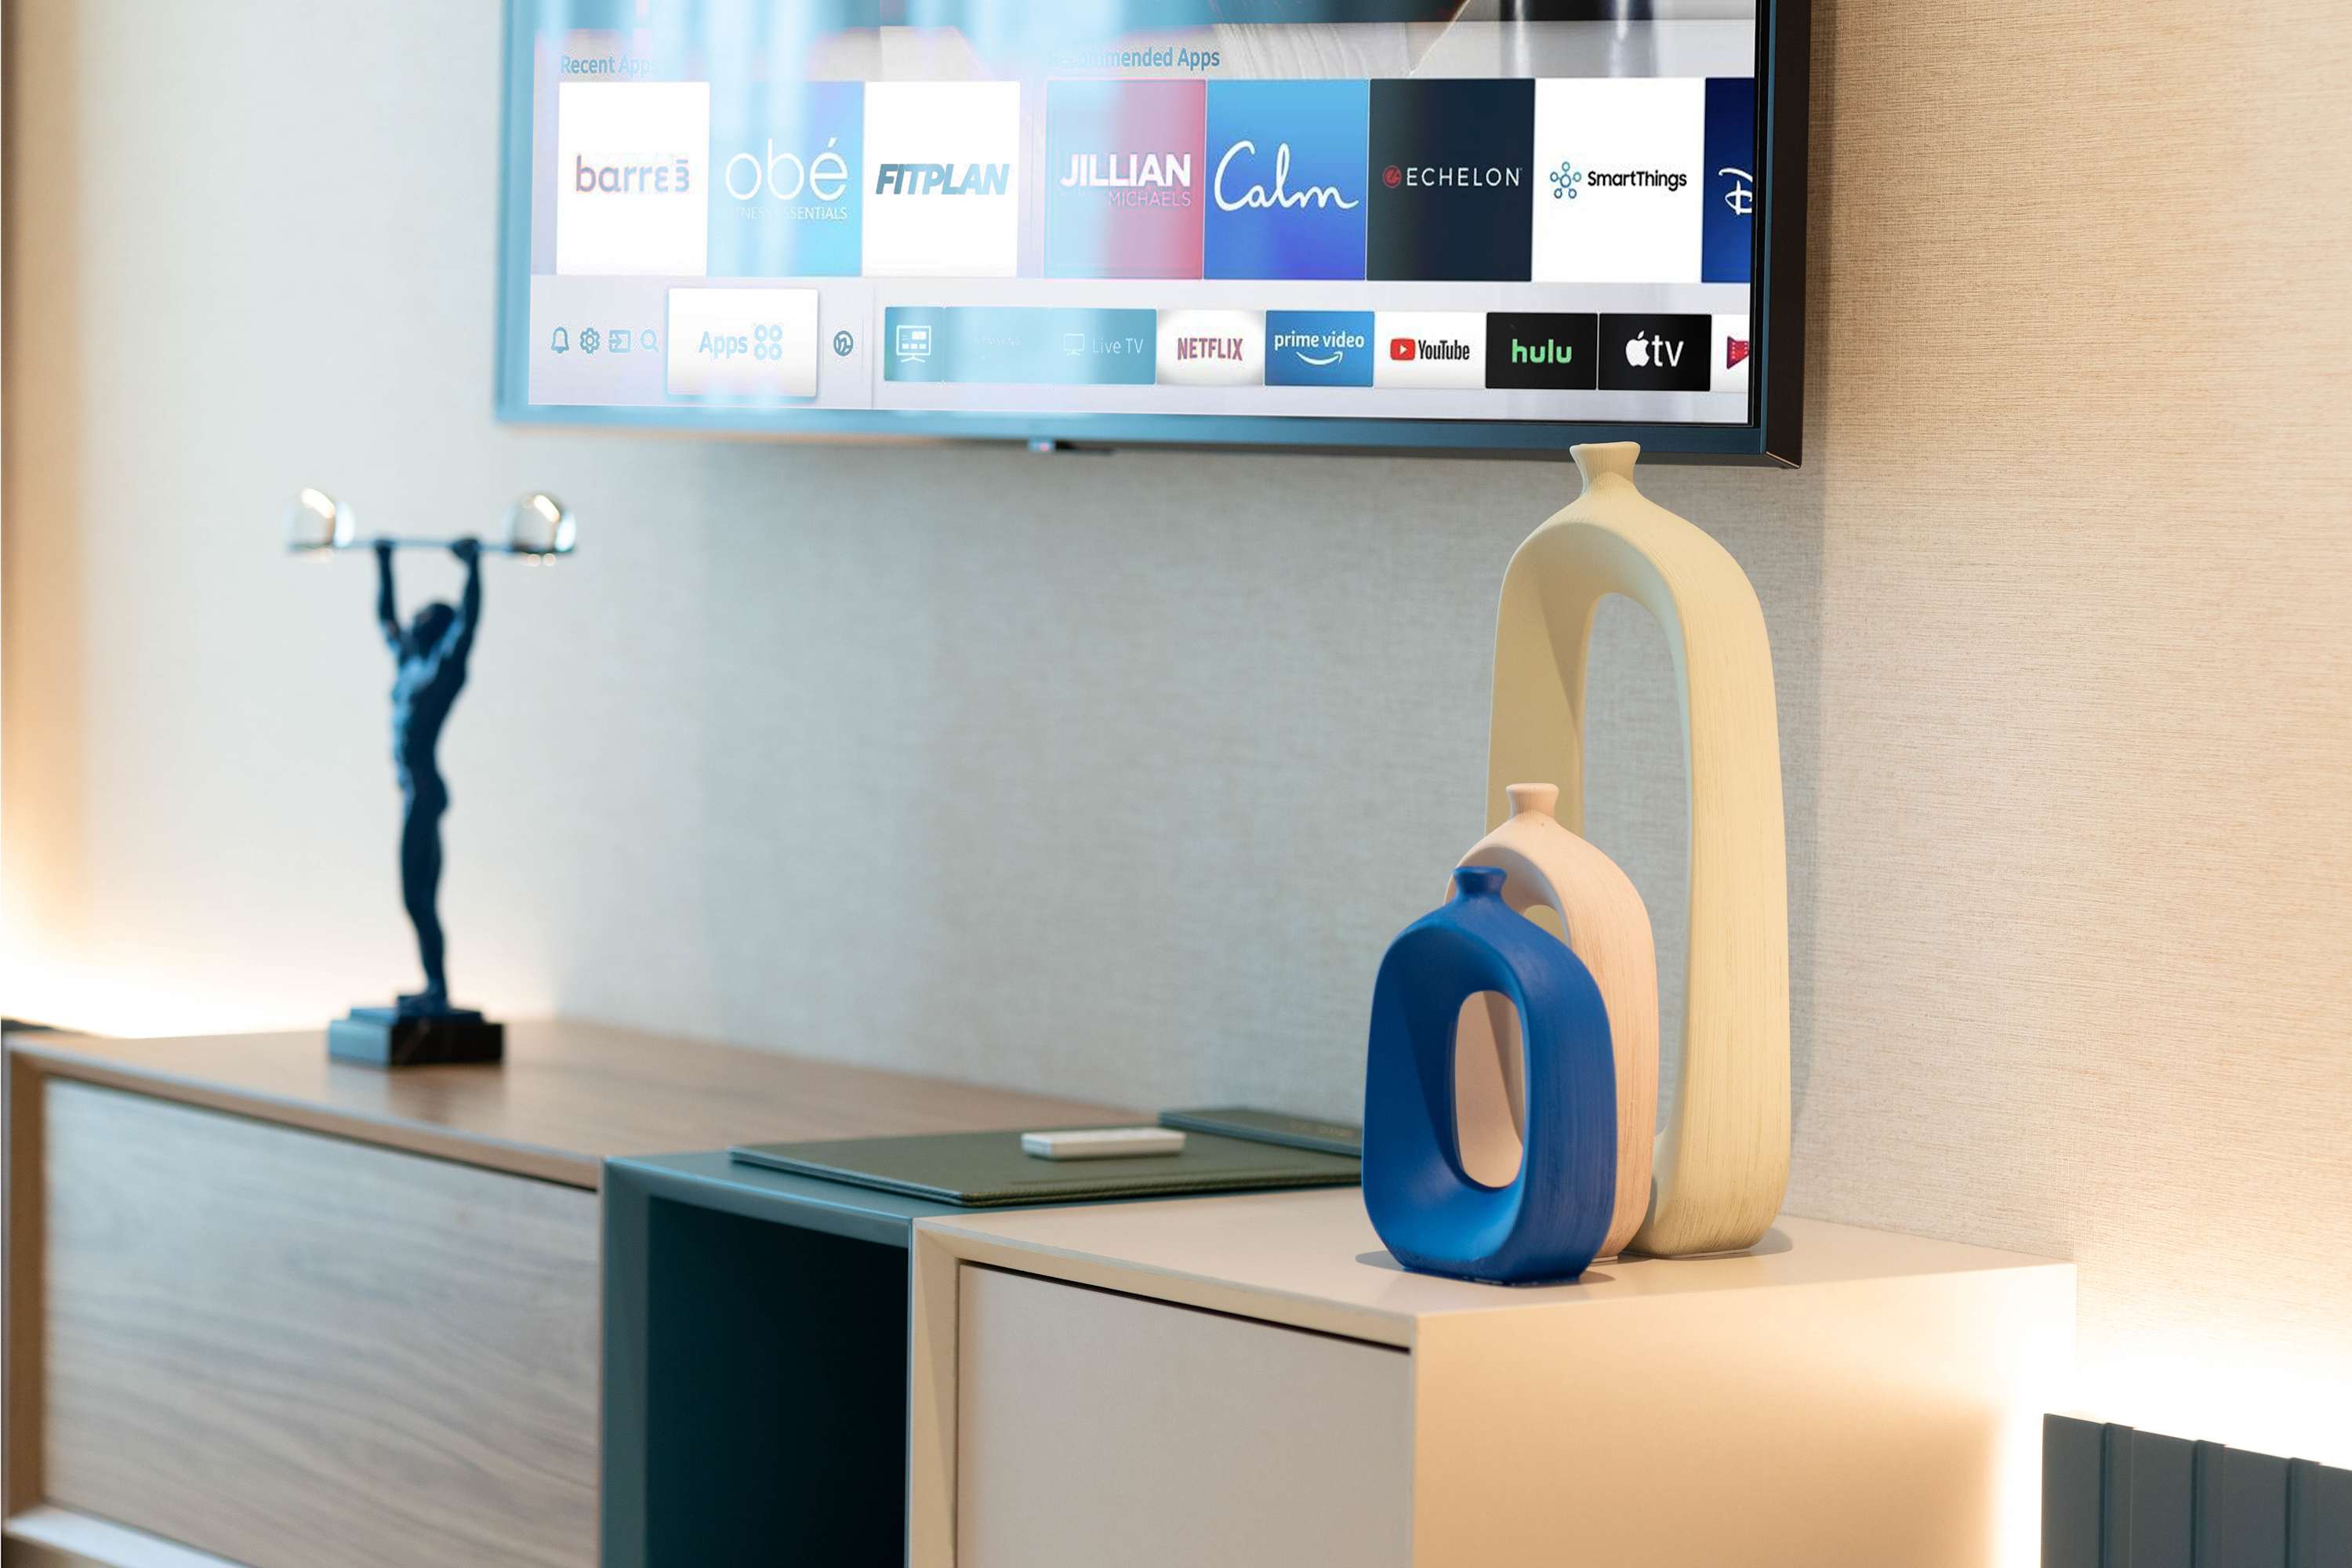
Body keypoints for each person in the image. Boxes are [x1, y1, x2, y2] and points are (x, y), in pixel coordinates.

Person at [373, 537, 481, 1014]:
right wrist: (383, 562)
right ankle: (434, 985)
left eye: (422, 620)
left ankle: (437, 987)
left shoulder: (440, 672)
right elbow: (385, 619)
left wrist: (473, 570)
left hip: (423, 791)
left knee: (417, 895)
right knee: (418, 897)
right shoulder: (408, 663)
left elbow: (468, 626)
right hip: (411, 792)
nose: (411, 623)